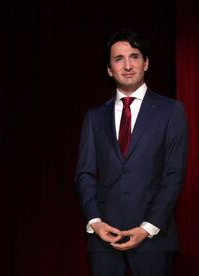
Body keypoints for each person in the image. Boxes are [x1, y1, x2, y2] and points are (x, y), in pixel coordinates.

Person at [75, 29, 188, 276]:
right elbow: (84, 174)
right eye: (118, 59)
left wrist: (148, 227)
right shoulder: (94, 117)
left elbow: (174, 174)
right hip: (104, 240)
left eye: (134, 56)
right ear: (109, 69)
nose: (127, 65)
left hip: (153, 239)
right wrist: (95, 222)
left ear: (145, 63)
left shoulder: (171, 110)